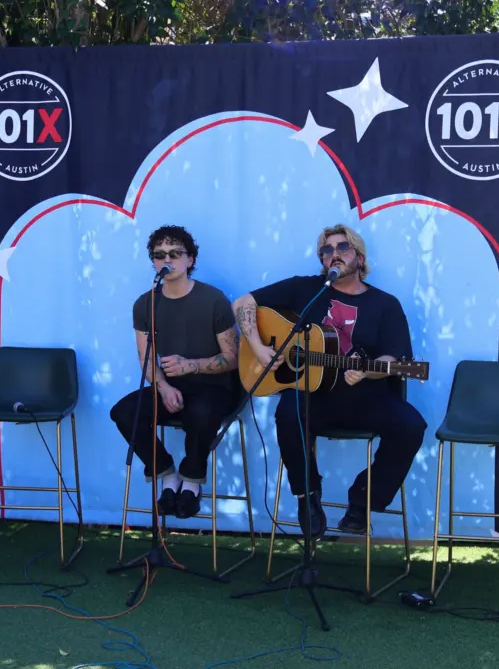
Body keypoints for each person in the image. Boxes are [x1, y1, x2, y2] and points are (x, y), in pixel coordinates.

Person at [232, 224, 426, 539]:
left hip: (366, 397)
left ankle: (363, 501)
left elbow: (393, 359)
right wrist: (258, 347)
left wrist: (368, 370)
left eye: (342, 248)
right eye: (326, 250)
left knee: (411, 426)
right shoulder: (305, 289)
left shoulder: (385, 305)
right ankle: (307, 495)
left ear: (360, 258)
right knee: (288, 411)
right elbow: (242, 303)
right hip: (315, 395)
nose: (334, 254)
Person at [110, 225, 241, 519]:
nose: (166, 259)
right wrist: (164, 387)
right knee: (124, 412)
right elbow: (146, 358)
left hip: (215, 387)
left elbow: (233, 358)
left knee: (201, 412)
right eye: (159, 255)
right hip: (170, 386)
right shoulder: (145, 304)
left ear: (190, 259)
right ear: (153, 263)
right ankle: (166, 473)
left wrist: (190, 365)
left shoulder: (213, 300)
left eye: (174, 253)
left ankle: (192, 481)